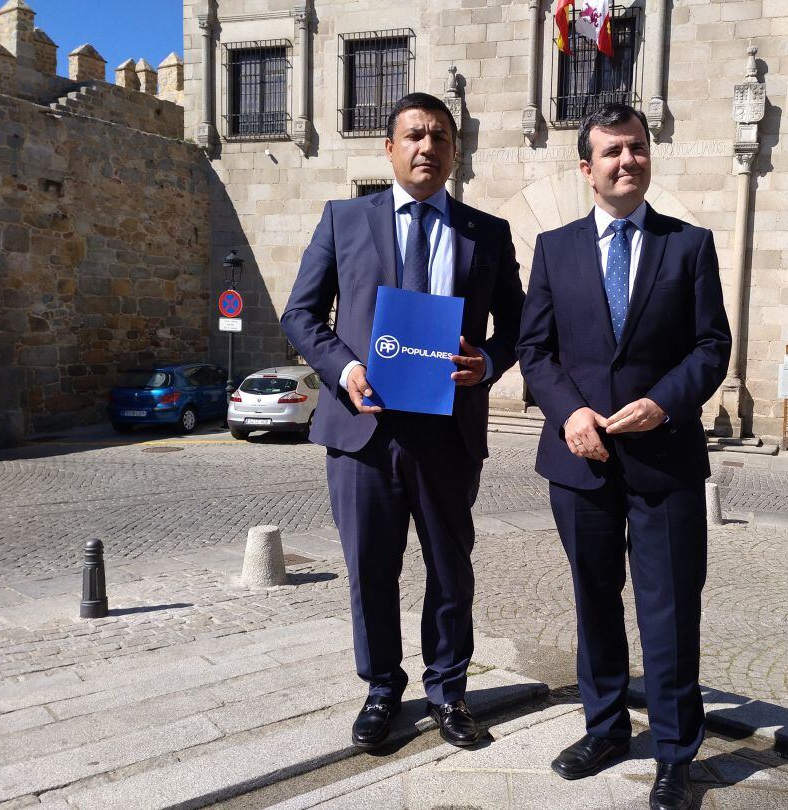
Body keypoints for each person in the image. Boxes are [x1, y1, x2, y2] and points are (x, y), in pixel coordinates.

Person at [282, 92, 525, 750]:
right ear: (389, 149)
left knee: (451, 569)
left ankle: (449, 691)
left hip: (448, 432)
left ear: (455, 151)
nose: (428, 147)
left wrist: (491, 363)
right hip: (363, 430)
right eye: (415, 135)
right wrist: (343, 368)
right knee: (371, 568)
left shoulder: (488, 234)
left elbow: (524, 324)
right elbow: (300, 316)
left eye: (441, 137)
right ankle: (383, 688)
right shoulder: (344, 219)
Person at [517, 103, 732, 810]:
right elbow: (536, 351)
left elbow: (711, 346)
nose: (625, 162)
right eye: (610, 153)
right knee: (595, 603)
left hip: (664, 459)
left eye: (636, 149)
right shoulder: (554, 249)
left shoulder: (689, 245)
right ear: (587, 168)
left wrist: (665, 402)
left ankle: (675, 754)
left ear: (649, 155)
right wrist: (569, 412)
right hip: (578, 461)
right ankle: (605, 727)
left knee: (669, 610)